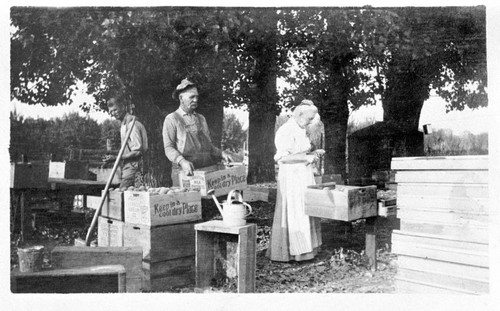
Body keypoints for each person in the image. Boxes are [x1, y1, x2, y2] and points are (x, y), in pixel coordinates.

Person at [266, 99, 325, 262]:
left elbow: (301, 150)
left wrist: (314, 153)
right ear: (299, 115)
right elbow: (283, 158)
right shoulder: (286, 130)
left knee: (305, 209)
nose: (311, 122)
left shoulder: (300, 129)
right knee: (295, 213)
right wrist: (307, 157)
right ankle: (294, 252)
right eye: (309, 119)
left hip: (303, 176)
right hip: (292, 178)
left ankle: (308, 249)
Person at [163, 78, 232, 180]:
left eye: (196, 97)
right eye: (192, 97)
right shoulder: (172, 119)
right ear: (181, 98)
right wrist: (182, 161)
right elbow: (168, 148)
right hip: (185, 173)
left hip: (206, 171)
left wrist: (221, 153)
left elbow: (209, 147)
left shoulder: (201, 118)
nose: (195, 100)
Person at [103, 91, 148, 189]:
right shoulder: (123, 125)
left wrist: (116, 158)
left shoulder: (132, 124)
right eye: (111, 112)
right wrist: (114, 156)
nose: (113, 114)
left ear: (123, 107)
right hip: (128, 166)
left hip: (134, 167)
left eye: (115, 110)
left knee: (123, 196)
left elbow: (137, 151)